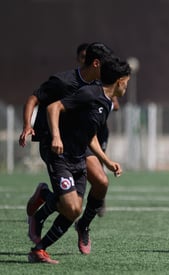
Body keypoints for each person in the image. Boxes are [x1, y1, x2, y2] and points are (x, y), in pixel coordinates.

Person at [27, 58, 131, 264]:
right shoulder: (90, 94)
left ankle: (38, 250)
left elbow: (89, 135)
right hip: (61, 157)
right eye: (127, 81)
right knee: (72, 209)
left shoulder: (107, 103)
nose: (127, 86)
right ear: (120, 81)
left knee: (73, 209)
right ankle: (39, 246)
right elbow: (53, 108)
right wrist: (56, 136)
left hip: (79, 158)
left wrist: (107, 161)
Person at [76, 42, 120, 217]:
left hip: (98, 130)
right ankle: (73, 198)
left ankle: (98, 199)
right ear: (79, 59)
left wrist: (107, 101)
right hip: (78, 133)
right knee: (81, 165)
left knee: (98, 164)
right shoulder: (75, 81)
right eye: (82, 57)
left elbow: (114, 103)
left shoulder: (101, 81)